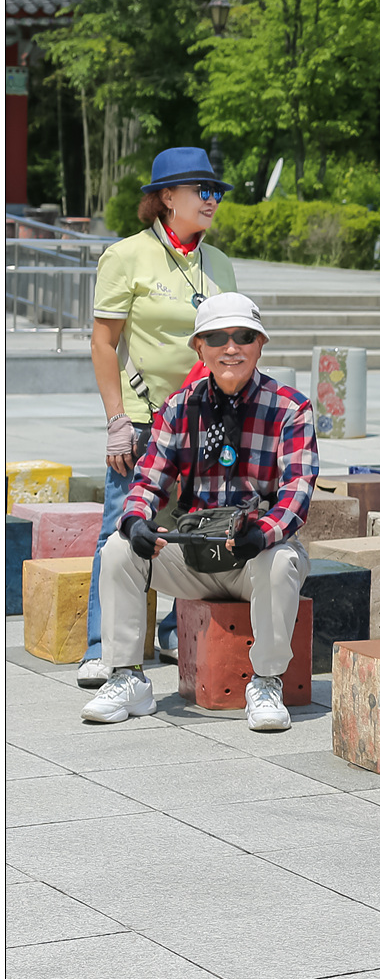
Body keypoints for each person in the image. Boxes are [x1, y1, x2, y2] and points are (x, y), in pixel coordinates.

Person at [83, 293, 313, 732]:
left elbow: (297, 495)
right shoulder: (179, 407)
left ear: (260, 345)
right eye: (217, 338)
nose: (231, 348)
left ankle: (267, 682)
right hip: (194, 553)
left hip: (255, 554)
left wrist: (262, 534)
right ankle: (127, 676)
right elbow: (148, 482)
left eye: (243, 336)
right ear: (199, 348)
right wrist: (135, 521)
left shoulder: (290, 408)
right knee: (117, 549)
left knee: (281, 559)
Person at [82, 147, 241, 687]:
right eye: (203, 191)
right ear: (167, 197)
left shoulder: (219, 262)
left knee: (198, 524)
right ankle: (103, 646)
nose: (212, 200)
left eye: (216, 192)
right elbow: (104, 344)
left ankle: (176, 630)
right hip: (144, 418)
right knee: (121, 531)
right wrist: (115, 420)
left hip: (207, 419)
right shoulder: (126, 255)